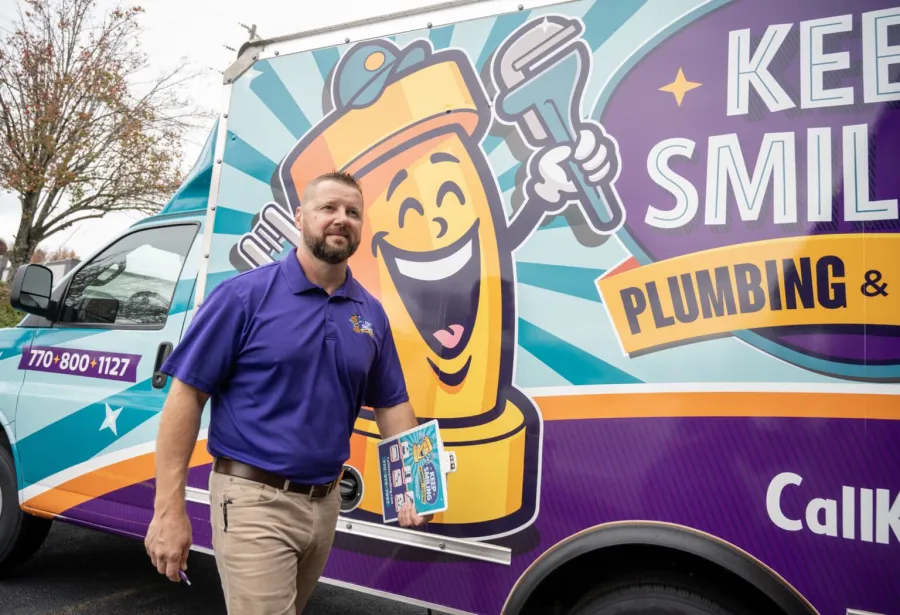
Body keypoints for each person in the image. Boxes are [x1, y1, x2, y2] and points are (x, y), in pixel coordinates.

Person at [144, 170, 430, 614]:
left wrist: (414, 483)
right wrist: (168, 510)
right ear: (300, 217)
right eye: (328, 208)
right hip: (253, 501)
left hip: (325, 503)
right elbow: (186, 396)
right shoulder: (244, 297)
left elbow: (392, 402)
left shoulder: (370, 313)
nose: (341, 219)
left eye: (353, 212)